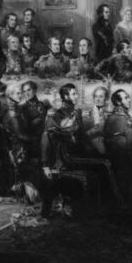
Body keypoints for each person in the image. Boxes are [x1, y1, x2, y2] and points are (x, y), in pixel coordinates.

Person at [39, 84, 86, 218]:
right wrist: (45, 164)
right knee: (51, 180)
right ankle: (54, 207)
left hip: (76, 152)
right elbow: (46, 138)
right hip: (62, 156)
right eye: (73, 94)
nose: (76, 96)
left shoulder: (77, 112)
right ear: (65, 97)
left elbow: (81, 135)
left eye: (76, 93)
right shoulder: (56, 115)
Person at [102, 89, 132, 209]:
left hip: (114, 159)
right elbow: (131, 146)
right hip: (126, 161)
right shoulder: (127, 120)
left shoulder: (110, 118)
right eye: (126, 98)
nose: (129, 99)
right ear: (118, 102)